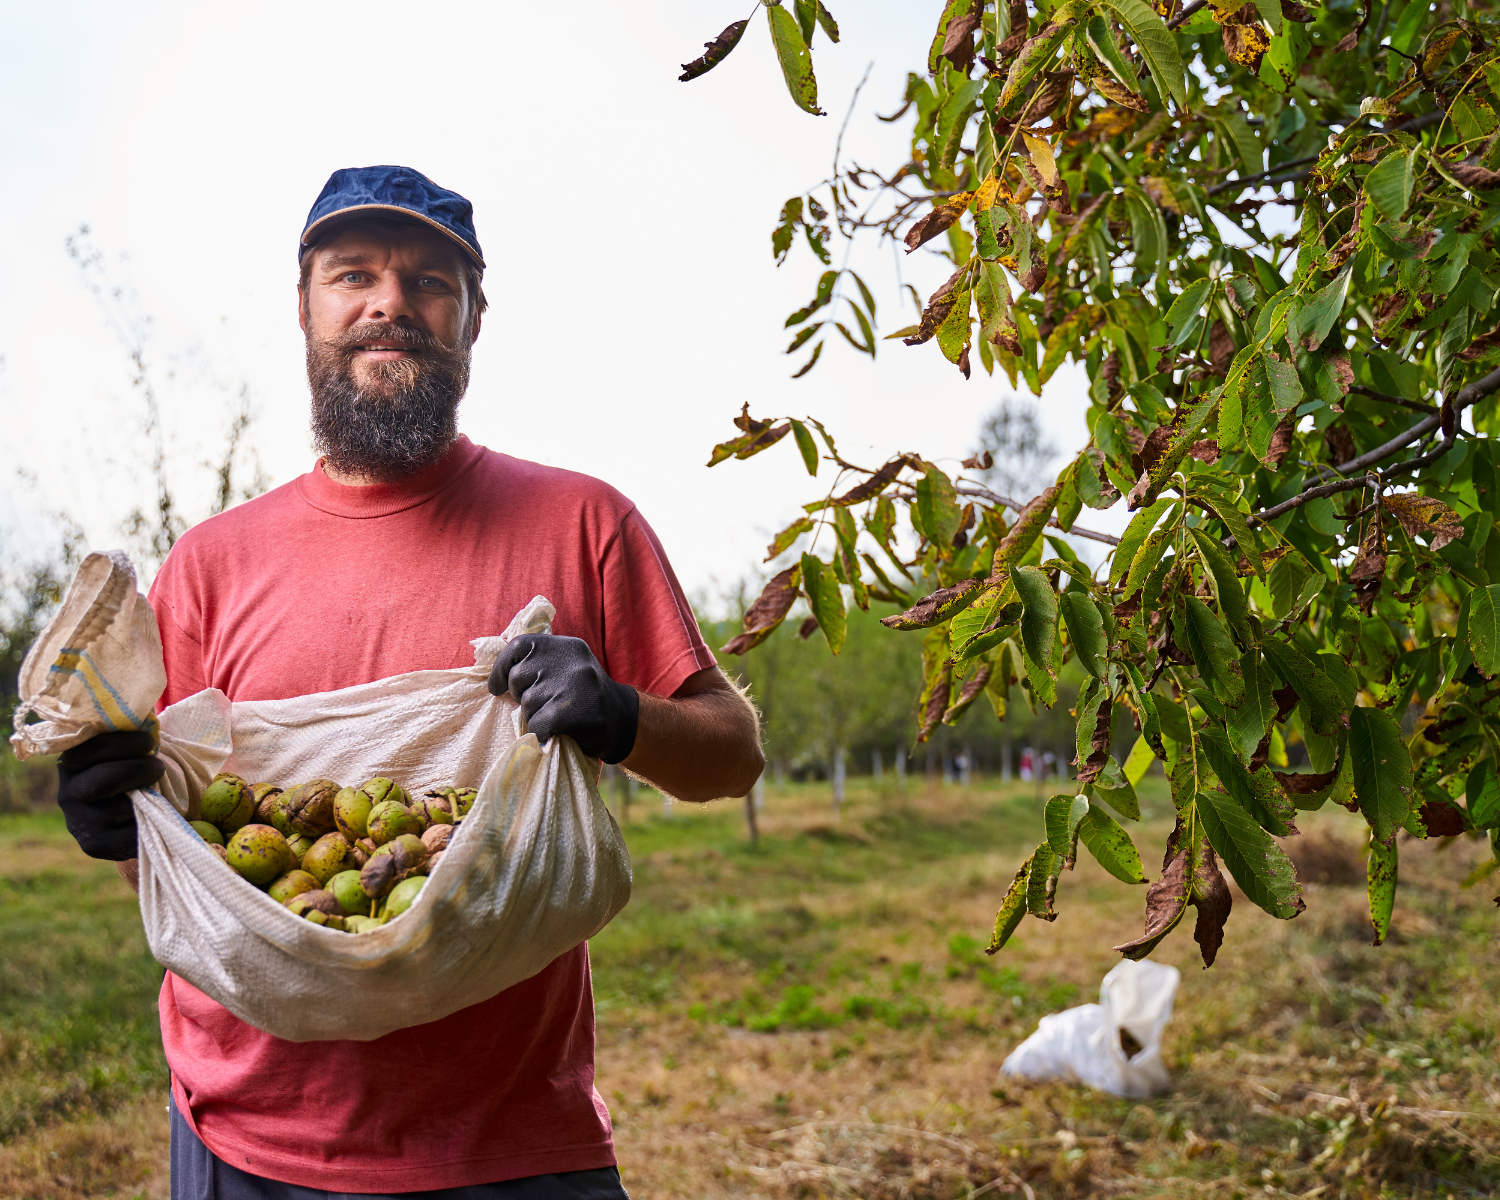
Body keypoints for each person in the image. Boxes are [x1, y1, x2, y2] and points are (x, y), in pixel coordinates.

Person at [51, 165, 765, 1199]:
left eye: (432, 282)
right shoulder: (209, 562)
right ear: (304, 308)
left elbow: (731, 756)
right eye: (355, 275)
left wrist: (618, 714)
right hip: (242, 1136)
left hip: (509, 1144)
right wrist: (122, 827)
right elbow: (195, 876)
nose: (392, 302)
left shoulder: (581, 522)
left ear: (473, 320)